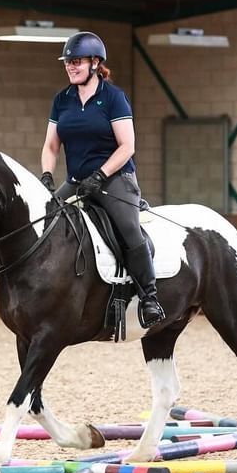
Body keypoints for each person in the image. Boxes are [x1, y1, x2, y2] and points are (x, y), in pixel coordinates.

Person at [39, 31, 166, 329]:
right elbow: (51, 145)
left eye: (77, 62)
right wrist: (46, 174)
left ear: (95, 63)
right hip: (76, 180)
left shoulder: (113, 98)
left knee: (128, 228)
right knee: (47, 218)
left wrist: (100, 175)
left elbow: (127, 147)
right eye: (68, 62)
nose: (71, 66)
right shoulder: (62, 100)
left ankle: (149, 297)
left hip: (115, 179)